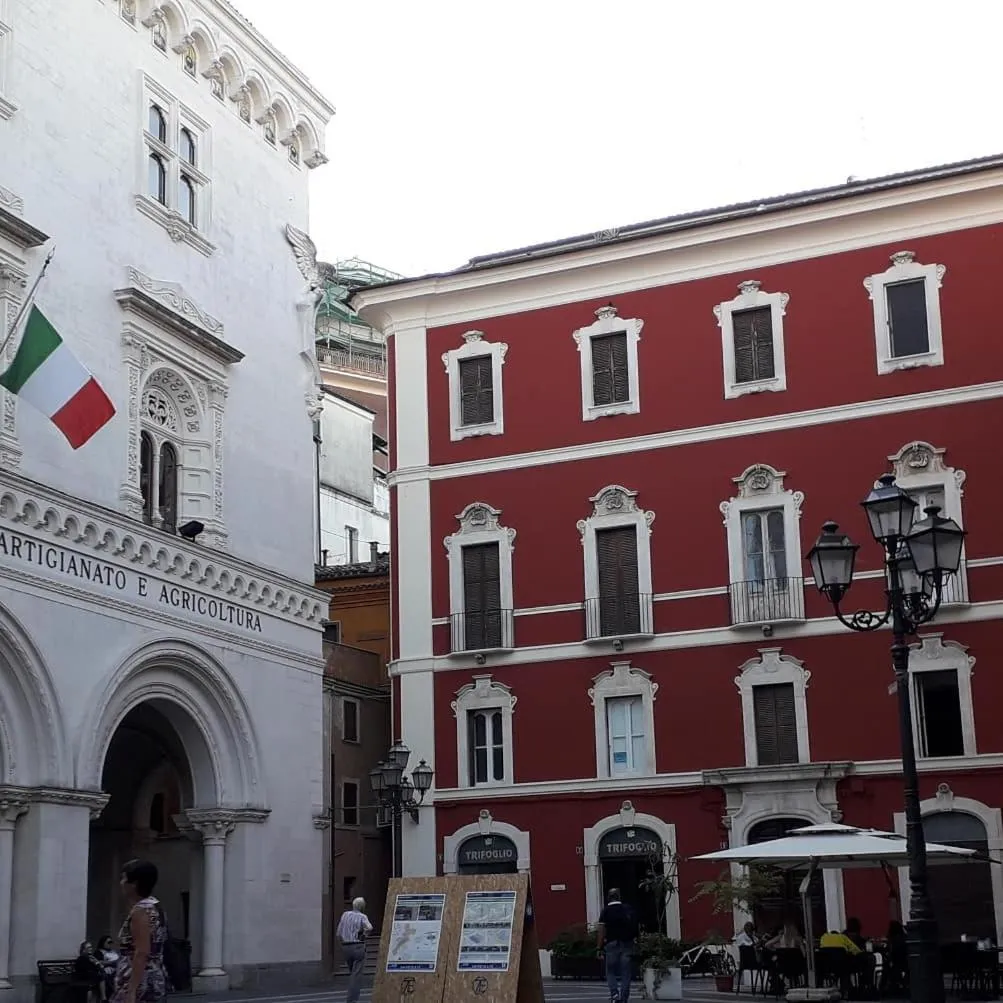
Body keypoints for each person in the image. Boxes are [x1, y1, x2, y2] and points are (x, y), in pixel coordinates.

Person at [111, 859, 167, 1003]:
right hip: (154, 974)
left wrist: (132, 990)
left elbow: (141, 951)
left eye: (124, 878)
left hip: (139, 978)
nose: (121, 883)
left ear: (134, 883)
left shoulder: (141, 911)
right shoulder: (155, 906)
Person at [596, 888, 637, 1003]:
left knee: (610, 971)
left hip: (611, 944)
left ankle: (614, 994)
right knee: (626, 973)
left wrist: (599, 948)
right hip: (627, 944)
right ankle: (624, 998)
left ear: (608, 897)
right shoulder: (627, 909)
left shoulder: (605, 911)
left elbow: (601, 930)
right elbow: (635, 926)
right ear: (619, 896)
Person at [336, 896, 373, 1003]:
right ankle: (352, 1000)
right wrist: (364, 935)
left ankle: (351, 997)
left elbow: (338, 933)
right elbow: (369, 927)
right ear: (362, 907)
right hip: (357, 946)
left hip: (346, 946)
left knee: (352, 972)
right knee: (356, 976)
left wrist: (342, 943)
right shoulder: (362, 916)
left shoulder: (345, 915)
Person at [96, 937, 119, 1003]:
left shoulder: (114, 952)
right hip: (107, 972)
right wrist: (112, 963)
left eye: (111, 942)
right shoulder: (99, 952)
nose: (110, 944)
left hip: (117, 971)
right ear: (103, 943)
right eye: (109, 942)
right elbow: (99, 962)